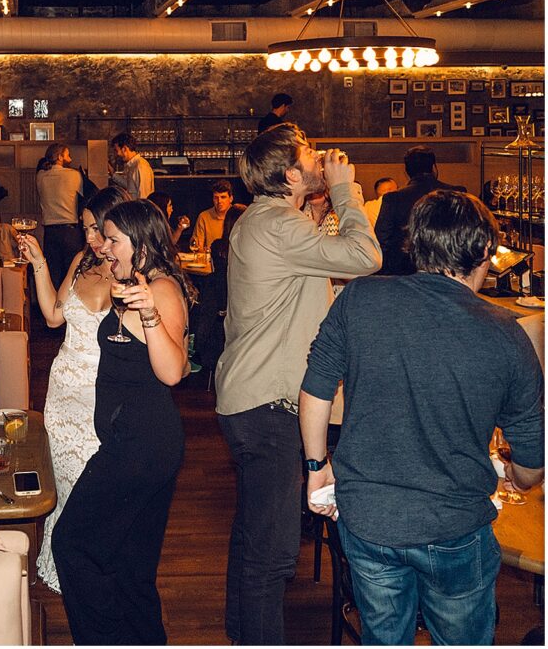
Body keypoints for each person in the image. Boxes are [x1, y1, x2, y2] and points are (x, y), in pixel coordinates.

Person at [300, 190, 544, 645]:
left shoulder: (360, 299)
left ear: (416, 244)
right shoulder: (505, 333)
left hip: (369, 520)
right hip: (454, 528)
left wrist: (316, 467)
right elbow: (533, 461)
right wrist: (516, 474)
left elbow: (314, 388)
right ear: (486, 253)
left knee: (384, 636)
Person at [215, 123, 381, 645]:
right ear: (290, 174)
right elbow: (365, 258)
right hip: (270, 405)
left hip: (252, 397)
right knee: (272, 557)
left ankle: (243, 636)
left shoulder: (267, 221)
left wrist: (319, 208)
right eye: (310, 153)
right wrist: (344, 189)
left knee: (252, 542)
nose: (320, 156)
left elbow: (319, 259)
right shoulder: (278, 227)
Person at [52, 199, 194, 645]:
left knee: (71, 545)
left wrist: (150, 313)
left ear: (141, 241)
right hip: (134, 441)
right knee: (133, 568)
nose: (104, 247)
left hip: (142, 445)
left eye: (113, 239)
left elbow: (174, 371)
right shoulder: (135, 283)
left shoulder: (162, 290)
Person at [17, 186, 129, 594]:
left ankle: (96, 562)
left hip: (107, 393)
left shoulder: (135, 270)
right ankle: (66, 565)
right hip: (64, 391)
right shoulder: (83, 261)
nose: (91, 240)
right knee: (64, 481)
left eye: (97, 230)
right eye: (85, 230)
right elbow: (51, 316)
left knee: (95, 483)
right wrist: (38, 263)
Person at [375, 146, 466, 276]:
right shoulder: (457, 194)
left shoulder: (393, 198)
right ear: (434, 167)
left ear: (407, 171)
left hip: (403, 273)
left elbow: (382, 239)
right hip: (448, 270)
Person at [36, 143, 86, 287]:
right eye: (67, 154)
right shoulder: (74, 175)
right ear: (59, 157)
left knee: (53, 274)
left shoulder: (40, 176)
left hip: (50, 232)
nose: (70, 158)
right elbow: (83, 196)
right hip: (70, 231)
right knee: (73, 272)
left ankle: (53, 305)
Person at [190, 180, 237, 252]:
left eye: (223, 197)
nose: (219, 201)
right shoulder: (204, 217)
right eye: (216, 198)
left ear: (231, 199)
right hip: (211, 260)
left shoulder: (238, 215)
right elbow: (197, 247)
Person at [109, 132, 154, 200]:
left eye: (116, 150)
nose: (117, 154)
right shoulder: (131, 165)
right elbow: (128, 185)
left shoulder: (140, 166)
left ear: (124, 149)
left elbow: (144, 196)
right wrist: (112, 173)